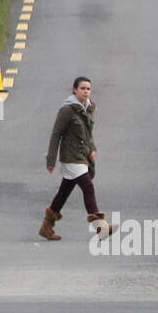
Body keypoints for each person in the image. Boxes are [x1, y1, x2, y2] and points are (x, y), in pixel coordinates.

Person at [39, 76, 116, 241]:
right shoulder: (67, 110)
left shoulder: (87, 108)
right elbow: (56, 134)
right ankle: (100, 227)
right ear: (75, 90)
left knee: (64, 192)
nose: (86, 91)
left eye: (88, 89)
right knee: (88, 187)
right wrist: (51, 160)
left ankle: (46, 226)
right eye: (82, 88)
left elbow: (87, 134)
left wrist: (92, 149)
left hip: (81, 156)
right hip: (71, 157)